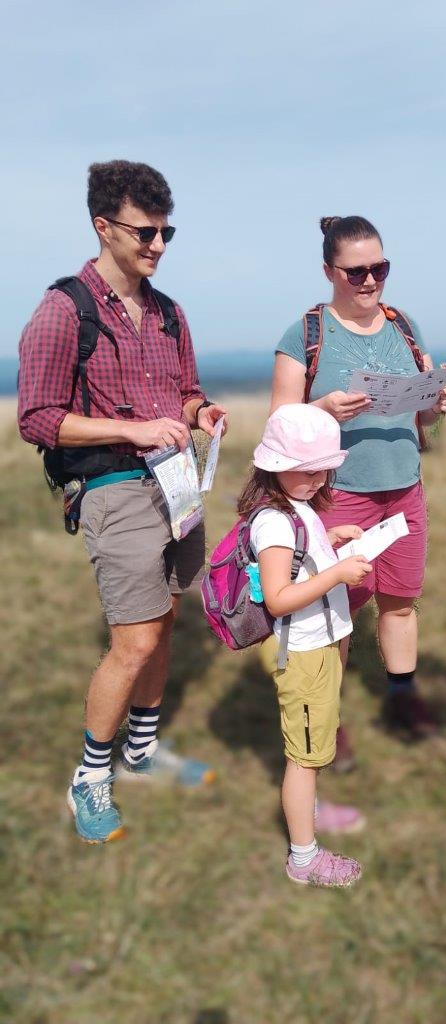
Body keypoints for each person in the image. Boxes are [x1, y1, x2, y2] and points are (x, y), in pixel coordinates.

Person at [17, 160, 227, 844]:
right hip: (113, 488)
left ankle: (141, 751)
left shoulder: (169, 313)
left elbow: (184, 391)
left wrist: (200, 412)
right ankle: (90, 776)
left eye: (167, 232)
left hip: (178, 485)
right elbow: (37, 419)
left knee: (163, 623)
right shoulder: (63, 311)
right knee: (133, 642)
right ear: (103, 226)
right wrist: (130, 430)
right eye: (145, 232)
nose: (158, 245)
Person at [269, 215, 446, 761]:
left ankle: (403, 698)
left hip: (404, 487)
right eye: (356, 271)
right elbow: (279, 421)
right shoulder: (305, 335)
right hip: (340, 492)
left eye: (380, 268)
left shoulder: (404, 326)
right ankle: (327, 714)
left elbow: (422, 419)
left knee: (400, 602)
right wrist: (322, 408)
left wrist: (436, 404)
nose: (370, 280)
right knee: (335, 611)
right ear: (329, 271)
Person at [245, 403, 372, 886]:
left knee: (315, 744)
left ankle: (310, 810)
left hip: (322, 644)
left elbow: (298, 563)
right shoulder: (274, 523)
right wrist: (337, 574)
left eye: (324, 469)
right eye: (308, 469)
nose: (319, 479)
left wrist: (329, 540)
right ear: (276, 466)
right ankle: (304, 858)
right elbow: (279, 598)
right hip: (303, 651)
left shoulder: (296, 508)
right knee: (304, 758)